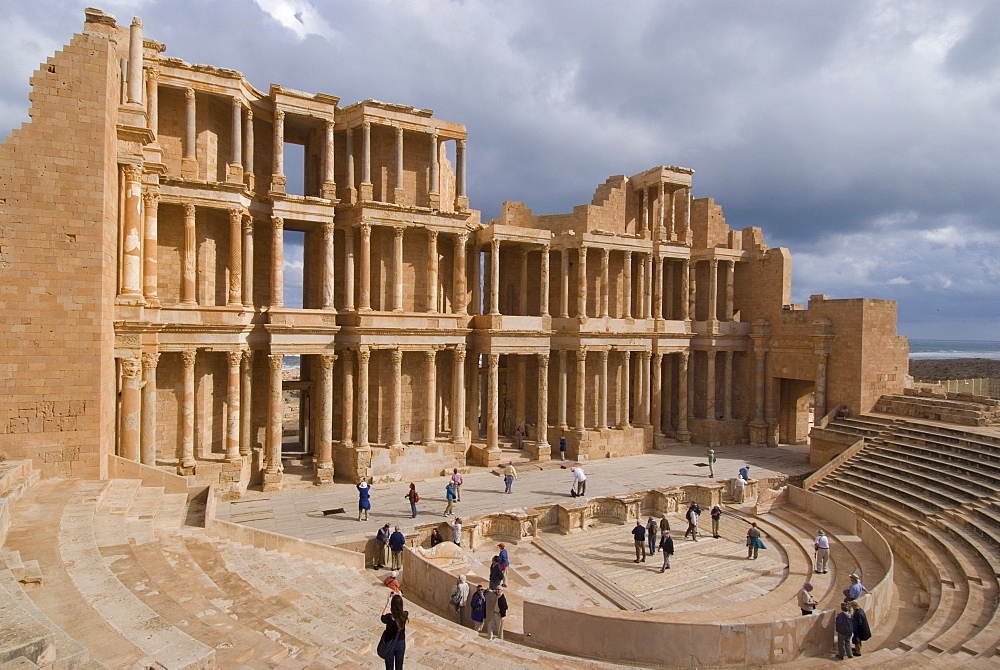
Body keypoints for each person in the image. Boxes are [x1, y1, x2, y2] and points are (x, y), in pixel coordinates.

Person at [379, 593, 407, 669]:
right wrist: (400, 596)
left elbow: (382, 617)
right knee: (399, 666)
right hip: (400, 643)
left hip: (389, 643)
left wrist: (388, 602)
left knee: (389, 666)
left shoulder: (389, 617)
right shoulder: (404, 615)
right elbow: (400, 609)